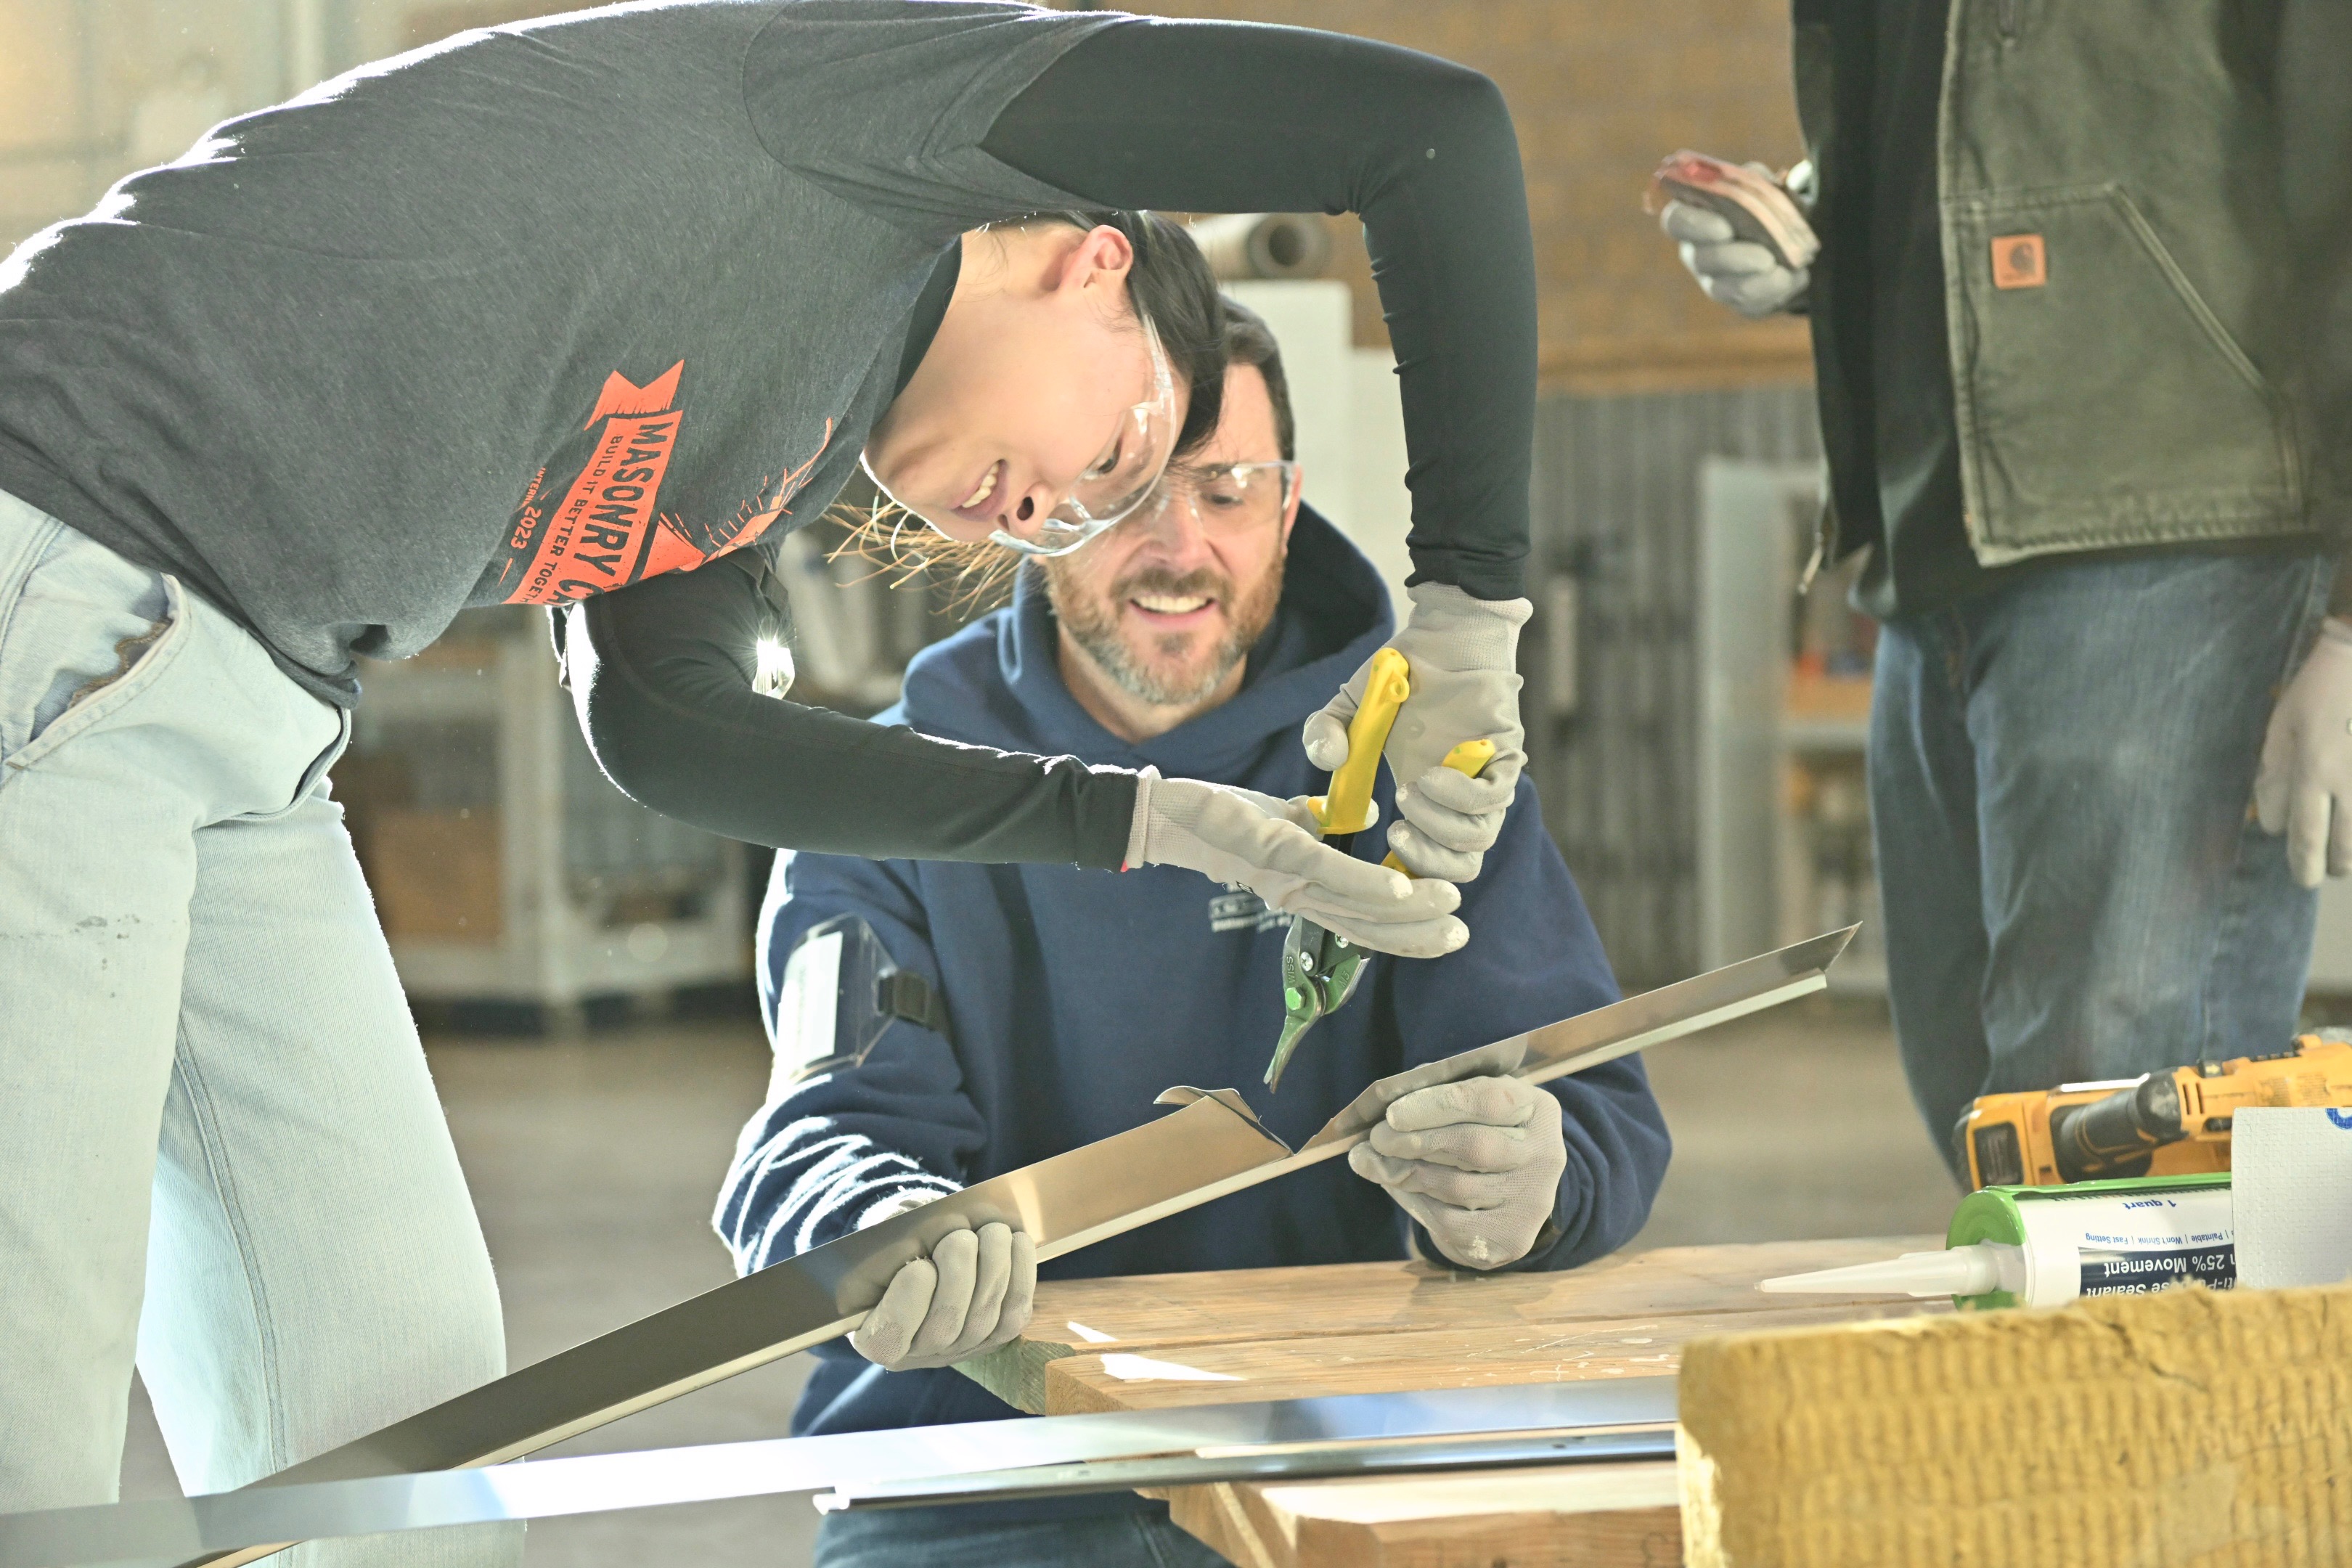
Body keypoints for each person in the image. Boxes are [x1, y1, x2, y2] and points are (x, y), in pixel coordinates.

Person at [0, 2, 1550, 1543]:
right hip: (60, 568)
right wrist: (1471, 612)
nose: (1056, 522)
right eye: (1120, 457)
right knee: (24, 1408)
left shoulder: (787, 436)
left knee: (388, 1439)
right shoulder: (882, 120)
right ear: (1094, 263)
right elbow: (1431, 137)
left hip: (247, 717)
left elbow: (665, 726)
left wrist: (1154, 820)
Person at [714, 302, 1670, 1568]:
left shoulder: (1422, 777)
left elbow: (1591, 1110)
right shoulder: (887, 805)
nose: (1178, 546)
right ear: (1042, 507)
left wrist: (1536, 1180)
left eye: (1227, 490)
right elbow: (820, 1138)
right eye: (1124, 489)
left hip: (1329, 1456)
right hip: (976, 1482)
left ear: (1288, 506)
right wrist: (871, 1221)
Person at [1657, 4, 2352, 1174]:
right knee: (1996, 1133)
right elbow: (2000, 125)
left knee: (2113, 1139)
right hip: (1931, 545)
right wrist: (1811, 221)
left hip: (2177, 529)